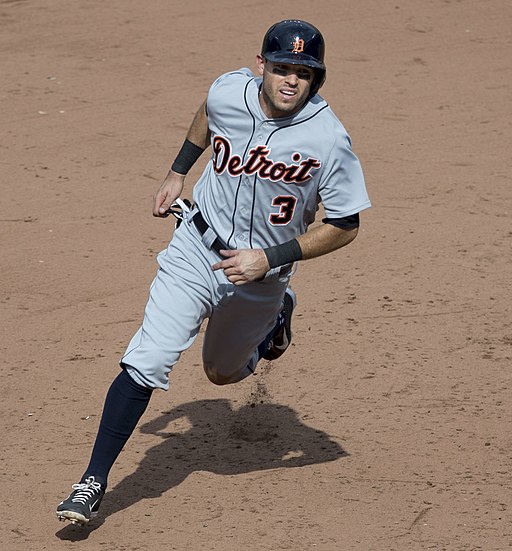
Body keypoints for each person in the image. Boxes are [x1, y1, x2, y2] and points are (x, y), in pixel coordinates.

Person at [56, 19, 371, 526]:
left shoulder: (329, 139)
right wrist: (178, 169)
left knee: (220, 374)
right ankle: (92, 480)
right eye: (283, 68)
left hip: (261, 278)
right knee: (149, 357)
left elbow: (346, 224)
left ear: (317, 79)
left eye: (304, 73)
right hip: (194, 250)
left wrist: (269, 259)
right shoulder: (230, 90)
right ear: (261, 66)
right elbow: (207, 114)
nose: (291, 80)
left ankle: (276, 320)